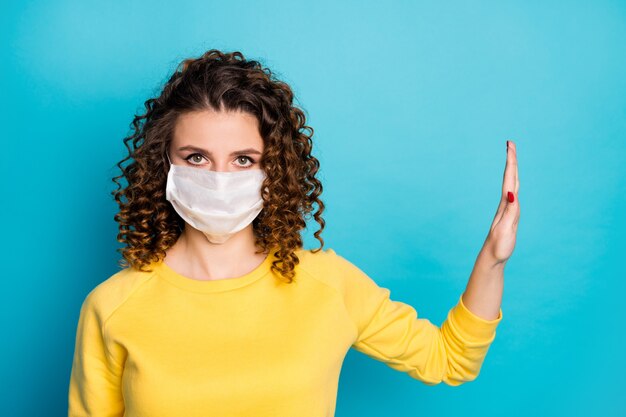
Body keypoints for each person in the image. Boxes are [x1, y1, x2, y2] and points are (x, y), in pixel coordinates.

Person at [68, 49, 519, 417]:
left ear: (273, 171)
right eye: (197, 158)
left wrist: (493, 260)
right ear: (164, 165)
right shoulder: (113, 307)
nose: (220, 177)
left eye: (243, 159)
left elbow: (450, 358)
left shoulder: (328, 285)